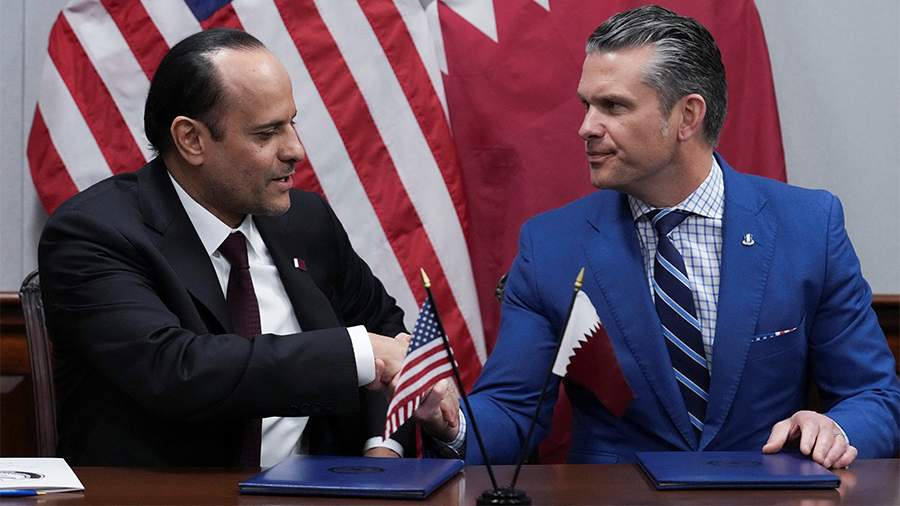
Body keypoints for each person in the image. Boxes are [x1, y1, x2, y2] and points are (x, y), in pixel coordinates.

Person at [415, 5, 900, 468]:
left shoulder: (808, 226)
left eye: (613, 106)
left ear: (687, 116)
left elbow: (873, 395)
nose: (586, 127)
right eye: (587, 105)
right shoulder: (551, 247)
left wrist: (835, 430)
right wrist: (449, 420)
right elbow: (511, 412)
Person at [38, 29, 413, 467]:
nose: (295, 150)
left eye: (292, 123)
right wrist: (357, 355)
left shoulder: (306, 220)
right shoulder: (94, 233)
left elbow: (390, 336)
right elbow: (175, 370)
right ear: (191, 140)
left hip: (321, 489)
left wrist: (381, 449)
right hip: (160, 494)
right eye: (266, 133)